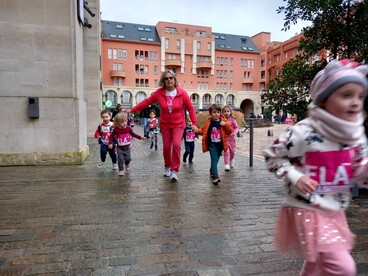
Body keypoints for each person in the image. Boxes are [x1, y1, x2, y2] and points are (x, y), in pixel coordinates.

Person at [262, 59, 368, 276]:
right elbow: (272, 157)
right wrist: (295, 176)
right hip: (306, 207)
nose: (356, 102)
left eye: (360, 96)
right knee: (343, 267)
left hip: (334, 209)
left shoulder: (356, 136)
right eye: (346, 95)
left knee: (317, 259)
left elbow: (359, 170)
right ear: (324, 100)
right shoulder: (303, 132)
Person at [129, 70, 198, 181]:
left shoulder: (182, 93)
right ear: (163, 81)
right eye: (166, 78)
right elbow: (146, 102)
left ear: (175, 79)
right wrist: (132, 110)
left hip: (179, 124)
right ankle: (167, 166)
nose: (169, 80)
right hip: (165, 125)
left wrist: (194, 124)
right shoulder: (159, 93)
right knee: (166, 147)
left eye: (171, 78)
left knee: (176, 145)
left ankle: (174, 170)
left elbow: (190, 108)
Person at [196, 104, 232, 185]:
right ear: (211, 113)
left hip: (220, 145)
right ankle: (215, 176)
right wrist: (196, 131)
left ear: (220, 113)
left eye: (218, 112)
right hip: (212, 145)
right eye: (214, 112)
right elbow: (203, 131)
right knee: (214, 159)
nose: (216, 114)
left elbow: (230, 131)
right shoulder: (209, 122)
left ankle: (212, 170)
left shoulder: (223, 121)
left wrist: (225, 125)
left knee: (216, 160)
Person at [222, 105, 239, 171]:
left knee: (232, 152)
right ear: (222, 112)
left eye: (228, 111)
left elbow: (236, 127)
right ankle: (226, 164)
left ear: (230, 112)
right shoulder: (222, 120)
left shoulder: (232, 120)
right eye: (225, 111)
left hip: (231, 138)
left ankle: (232, 159)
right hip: (225, 138)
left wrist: (234, 132)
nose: (226, 113)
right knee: (226, 152)